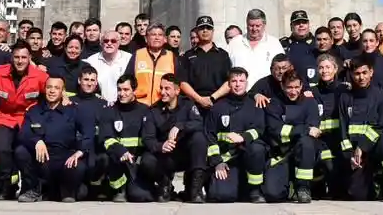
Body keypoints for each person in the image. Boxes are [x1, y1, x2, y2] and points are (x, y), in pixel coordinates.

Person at [0, 42, 48, 199]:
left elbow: (55, 91)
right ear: (11, 58)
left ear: (30, 58)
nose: (20, 61)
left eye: (24, 57)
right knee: (0, 146)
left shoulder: (40, 76)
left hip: (29, 119)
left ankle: (29, 187)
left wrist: (65, 99)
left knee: (24, 150)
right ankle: (7, 187)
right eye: (17, 57)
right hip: (4, 117)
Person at [16, 75, 91, 202]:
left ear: (62, 91)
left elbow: (88, 133)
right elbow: (23, 133)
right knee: (21, 151)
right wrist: (37, 141)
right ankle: (34, 190)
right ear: (44, 89)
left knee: (77, 167)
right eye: (49, 87)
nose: (52, 91)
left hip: (64, 159)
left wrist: (80, 152)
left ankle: (66, 192)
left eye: (56, 88)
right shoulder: (34, 110)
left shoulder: (74, 111)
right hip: (41, 160)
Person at [338, 55, 383, 201]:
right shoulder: (345, 98)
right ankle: (375, 184)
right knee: (356, 194)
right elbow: (343, 129)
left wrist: (362, 146)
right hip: (357, 154)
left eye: (364, 73)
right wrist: (350, 155)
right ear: (352, 74)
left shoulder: (381, 97)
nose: (361, 77)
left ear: (371, 72)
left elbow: (382, 126)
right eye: (357, 74)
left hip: (375, 147)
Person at [204, 67, 268, 203]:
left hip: (249, 160)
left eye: (241, 81)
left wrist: (243, 137)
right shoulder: (217, 108)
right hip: (227, 160)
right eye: (234, 81)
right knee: (221, 196)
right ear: (228, 84)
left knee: (257, 148)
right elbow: (210, 136)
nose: (238, 84)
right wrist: (217, 162)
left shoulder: (255, 105)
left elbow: (260, 129)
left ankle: (254, 190)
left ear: (246, 83)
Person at [141, 73, 205, 202]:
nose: (162, 92)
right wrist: (161, 146)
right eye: (161, 88)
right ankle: (165, 184)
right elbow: (148, 138)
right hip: (166, 156)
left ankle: (195, 189)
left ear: (177, 91)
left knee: (199, 138)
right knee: (146, 160)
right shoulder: (153, 111)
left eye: (167, 89)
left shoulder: (187, 105)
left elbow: (198, 123)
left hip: (185, 155)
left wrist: (180, 126)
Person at [262, 71, 320, 204]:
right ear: (282, 86)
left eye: (296, 87)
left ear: (301, 86)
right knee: (273, 195)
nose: (293, 92)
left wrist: (293, 131)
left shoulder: (310, 103)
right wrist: (304, 129)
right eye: (289, 87)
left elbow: (314, 129)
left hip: (304, 153)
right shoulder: (274, 103)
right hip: (281, 153)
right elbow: (275, 130)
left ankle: (303, 187)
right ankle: (290, 187)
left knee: (306, 142)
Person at [95, 74, 154, 202]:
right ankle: (117, 189)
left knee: (140, 196)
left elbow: (149, 139)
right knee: (105, 158)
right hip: (117, 161)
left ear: (134, 90)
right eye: (119, 89)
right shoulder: (109, 112)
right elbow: (106, 139)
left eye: (126, 90)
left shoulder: (145, 111)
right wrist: (121, 151)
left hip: (136, 162)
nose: (122, 93)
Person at [311, 53, 346, 200]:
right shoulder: (311, 92)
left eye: (328, 67)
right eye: (321, 67)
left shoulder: (344, 90)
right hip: (319, 140)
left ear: (335, 69)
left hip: (339, 138)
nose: (324, 71)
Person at [179, 15, 231, 110]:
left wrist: (212, 98)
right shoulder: (188, 55)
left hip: (218, 104)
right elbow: (182, 82)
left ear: (213, 31)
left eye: (208, 28)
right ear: (197, 31)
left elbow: (229, 82)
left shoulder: (223, 55)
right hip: (193, 105)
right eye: (202, 28)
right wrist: (199, 99)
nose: (205, 31)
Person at [226, 8, 280, 87]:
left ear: (264, 25)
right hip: (239, 95)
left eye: (257, 26)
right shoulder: (235, 43)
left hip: (266, 94)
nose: (254, 29)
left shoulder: (274, 43)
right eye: (251, 25)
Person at [127, 23, 176, 105]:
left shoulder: (171, 57)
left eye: (160, 35)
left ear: (164, 39)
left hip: (163, 106)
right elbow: (127, 80)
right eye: (153, 34)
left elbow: (179, 83)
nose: (157, 38)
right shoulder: (138, 55)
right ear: (146, 38)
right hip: (140, 105)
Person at [87, 30, 133, 103]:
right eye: (106, 41)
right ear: (101, 43)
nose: (109, 43)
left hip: (123, 104)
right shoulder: (91, 61)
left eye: (113, 41)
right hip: (100, 105)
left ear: (119, 43)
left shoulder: (129, 59)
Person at [280, 10, 317, 87]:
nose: (301, 25)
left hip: (314, 89)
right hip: (290, 89)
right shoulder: (283, 44)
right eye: (297, 23)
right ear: (291, 26)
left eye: (304, 22)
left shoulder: (317, 43)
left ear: (308, 24)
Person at [355, 28, 383, 96]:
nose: (368, 45)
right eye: (365, 41)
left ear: (377, 43)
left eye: (371, 41)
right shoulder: (355, 61)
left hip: (381, 102)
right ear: (361, 43)